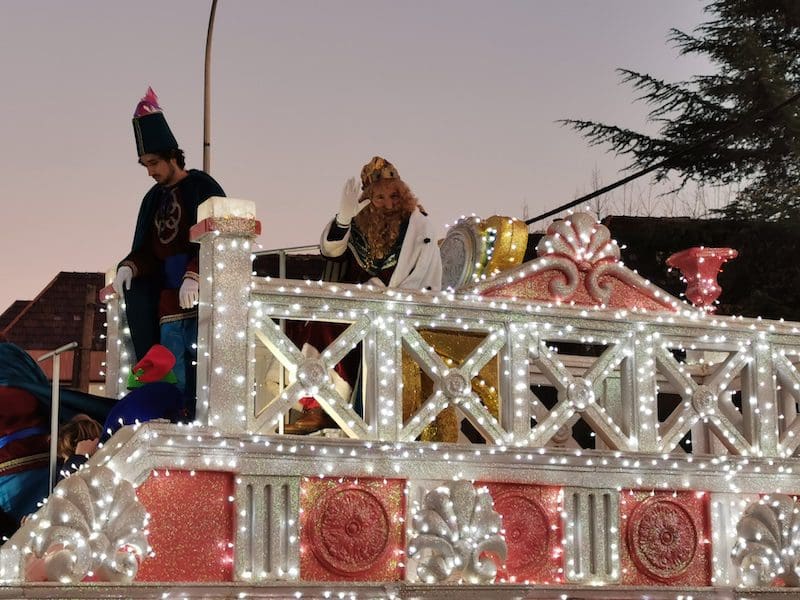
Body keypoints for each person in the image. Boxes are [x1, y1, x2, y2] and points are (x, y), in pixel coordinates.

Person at [285, 156, 442, 434]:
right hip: (356, 305)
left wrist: (388, 294)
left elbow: (426, 273)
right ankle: (320, 407)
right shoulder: (357, 224)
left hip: (401, 309)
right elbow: (331, 251)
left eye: (394, 196)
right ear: (368, 199)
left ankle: (340, 410)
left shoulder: (419, 226)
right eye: (379, 198)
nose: (388, 204)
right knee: (320, 324)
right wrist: (343, 219)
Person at [112, 87, 225, 400]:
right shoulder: (153, 198)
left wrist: (195, 274)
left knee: (202, 378)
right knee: (169, 376)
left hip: (202, 300)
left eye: (154, 163)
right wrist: (130, 267)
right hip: (166, 302)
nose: (150, 172)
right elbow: (148, 250)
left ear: (172, 156)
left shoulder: (202, 186)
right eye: (145, 165)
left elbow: (217, 236)